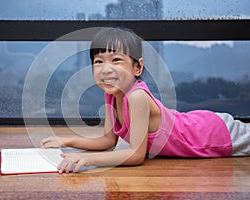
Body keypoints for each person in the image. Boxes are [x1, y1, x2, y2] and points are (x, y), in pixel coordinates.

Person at [41, 27, 250, 173]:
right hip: (197, 124)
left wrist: (87, 159)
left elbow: (135, 155)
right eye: (98, 61)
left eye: (116, 60)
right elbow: (107, 141)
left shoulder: (137, 96)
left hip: (212, 136)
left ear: (137, 68)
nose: (106, 68)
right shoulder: (111, 96)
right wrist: (65, 141)